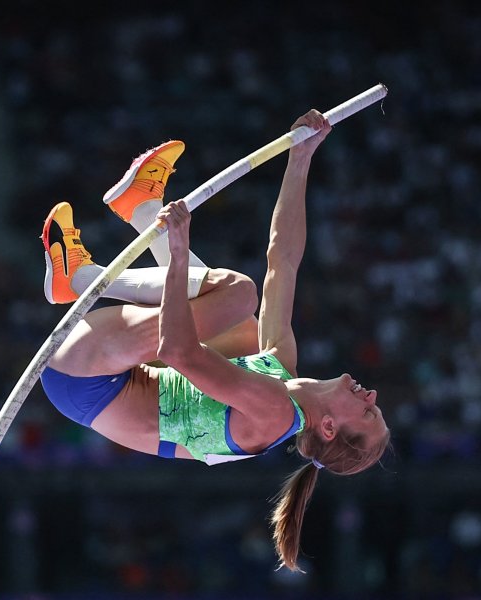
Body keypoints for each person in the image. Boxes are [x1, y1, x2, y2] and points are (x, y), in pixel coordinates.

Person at [38, 109, 391, 572]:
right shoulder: (280, 369)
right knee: (245, 325)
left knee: (237, 292)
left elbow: (177, 350)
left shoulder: (273, 412)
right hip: (115, 366)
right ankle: (140, 207)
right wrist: (300, 159)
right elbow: (282, 260)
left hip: (86, 376)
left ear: (328, 428)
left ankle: (81, 279)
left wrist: (180, 255)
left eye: (367, 412)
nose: (372, 396)